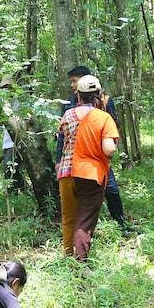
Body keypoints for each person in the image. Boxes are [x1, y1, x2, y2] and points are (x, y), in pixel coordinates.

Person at [57, 75, 119, 261]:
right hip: (90, 174)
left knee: (69, 217)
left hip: (67, 172)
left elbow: (61, 138)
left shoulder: (68, 115)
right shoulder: (104, 117)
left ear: (78, 96)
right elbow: (108, 149)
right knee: (84, 221)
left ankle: (68, 255)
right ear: (98, 94)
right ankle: (80, 263)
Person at [60, 65, 127, 228]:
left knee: (111, 190)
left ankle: (120, 223)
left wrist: (109, 148)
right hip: (72, 158)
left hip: (98, 155)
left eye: (74, 81)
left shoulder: (104, 101)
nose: (72, 85)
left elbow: (114, 124)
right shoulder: (68, 103)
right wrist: (58, 159)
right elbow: (61, 136)